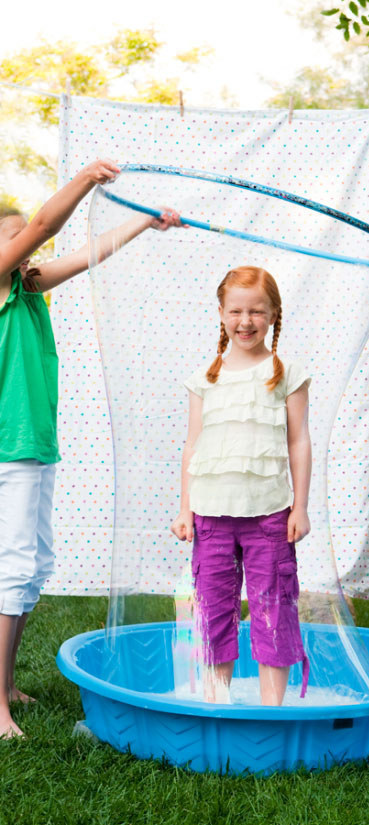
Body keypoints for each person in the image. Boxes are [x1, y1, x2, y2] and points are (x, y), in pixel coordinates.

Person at [0, 160, 181, 738]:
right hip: (10, 450)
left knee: (30, 570)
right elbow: (46, 227)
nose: (24, 241)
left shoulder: (27, 291)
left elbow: (86, 253)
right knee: (12, 570)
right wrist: (83, 179)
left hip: (31, 450)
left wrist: (144, 224)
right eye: (13, 234)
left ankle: (3, 685)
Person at [171, 265, 312, 706]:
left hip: (269, 514)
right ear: (221, 314)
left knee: (273, 609)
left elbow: (299, 441)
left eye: (256, 311)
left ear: (273, 315)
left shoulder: (284, 372)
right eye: (236, 311)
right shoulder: (205, 377)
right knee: (213, 610)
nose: (245, 321)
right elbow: (193, 444)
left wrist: (300, 507)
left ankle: (272, 709)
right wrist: (184, 508)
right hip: (211, 515)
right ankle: (218, 702)